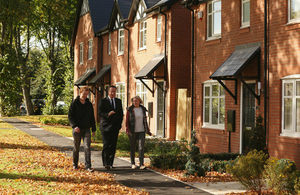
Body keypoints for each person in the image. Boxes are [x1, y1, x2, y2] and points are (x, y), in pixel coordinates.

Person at [68, 86, 96, 173]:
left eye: (87, 95)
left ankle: (88, 166)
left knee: (87, 147)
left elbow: (92, 117)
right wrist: (74, 126)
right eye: (84, 94)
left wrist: (94, 129)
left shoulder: (89, 104)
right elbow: (70, 116)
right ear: (80, 93)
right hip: (77, 129)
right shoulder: (74, 103)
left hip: (86, 128)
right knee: (76, 147)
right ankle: (75, 164)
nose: (85, 96)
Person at [99, 85, 123, 169]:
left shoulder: (118, 101)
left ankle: (111, 163)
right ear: (108, 92)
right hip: (105, 126)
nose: (113, 93)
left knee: (113, 145)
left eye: (114, 91)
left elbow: (120, 114)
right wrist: (107, 114)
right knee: (106, 144)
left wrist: (119, 125)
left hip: (115, 127)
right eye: (111, 91)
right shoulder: (103, 101)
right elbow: (100, 113)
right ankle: (106, 163)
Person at [126, 96, 152, 170]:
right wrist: (127, 129)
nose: (134, 102)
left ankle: (141, 164)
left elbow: (145, 120)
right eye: (133, 101)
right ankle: (133, 163)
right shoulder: (130, 109)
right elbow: (127, 120)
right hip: (132, 131)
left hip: (141, 131)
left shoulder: (142, 109)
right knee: (133, 147)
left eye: (136, 101)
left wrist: (148, 130)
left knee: (141, 148)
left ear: (139, 101)